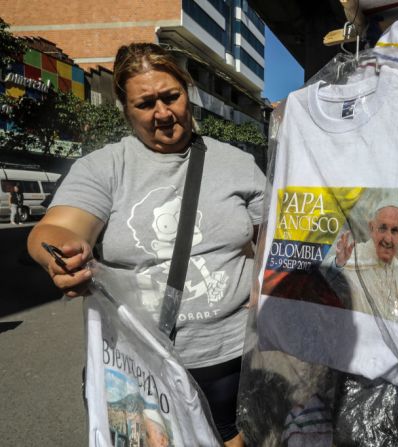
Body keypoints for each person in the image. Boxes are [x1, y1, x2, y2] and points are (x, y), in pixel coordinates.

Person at [27, 42, 265, 447]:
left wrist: (264, 289)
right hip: (137, 360)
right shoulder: (105, 166)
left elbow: (272, 240)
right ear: (125, 108)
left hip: (226, 358)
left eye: (172, 97)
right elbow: (54, 229)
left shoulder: (238, 164)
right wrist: (65, 253)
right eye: (145, 104)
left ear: (188, 93)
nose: (163, 114)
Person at [324, 204, 398, 321]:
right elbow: (323, 283)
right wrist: (338, 263)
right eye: (383, 228)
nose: (388, 239)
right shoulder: (352, 256)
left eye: (394, 231)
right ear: (371, 227)